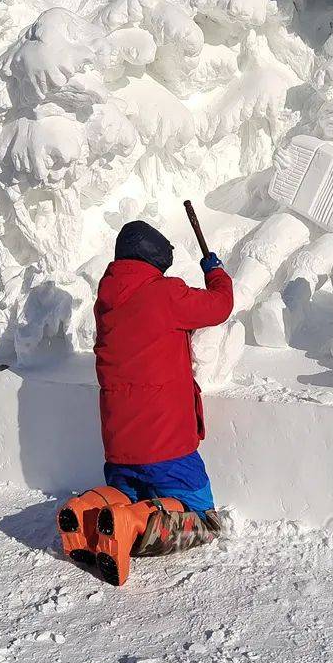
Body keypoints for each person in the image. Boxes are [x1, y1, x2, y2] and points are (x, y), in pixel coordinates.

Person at [93, 220, 233, 533]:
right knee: (204, 521)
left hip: (117, 448)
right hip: (166, 446)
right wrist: (215, 271)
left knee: (122, 501)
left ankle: (92, 512)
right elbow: (220, 306)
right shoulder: (166, 295)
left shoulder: (105, 302)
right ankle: (129, 524)